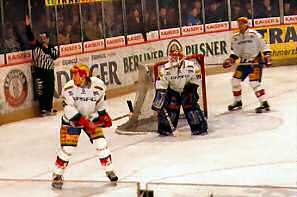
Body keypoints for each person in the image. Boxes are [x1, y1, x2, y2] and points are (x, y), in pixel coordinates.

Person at [51, 64, 118, 189]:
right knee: (67, 149)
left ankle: (110, 170)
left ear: (83, 76)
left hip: (90, 118)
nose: (73, 77)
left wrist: (103, 116)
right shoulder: (69, 88)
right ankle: (57, 174)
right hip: (72, 122)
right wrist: (85, 122)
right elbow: (68, 109)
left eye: (75, 74)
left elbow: (101, 102)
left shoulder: (98, 85)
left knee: (101, 144)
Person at [151, 41, 208, 136]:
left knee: (189, 102)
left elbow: (197, 79)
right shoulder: (164, 69)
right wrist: (159, 101)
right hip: (173, 92)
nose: (174, 57)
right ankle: (165, 127)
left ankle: (198, 126)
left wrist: (190, 90)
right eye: (172, 53)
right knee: (171, 103)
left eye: (176, 53)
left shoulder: (191, 66)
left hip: (187, 90)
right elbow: (161, 86)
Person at [223, 17, 271, 113]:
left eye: (241, 24)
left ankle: (264, 103)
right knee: (235, 80)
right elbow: (235, 53)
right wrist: (230, 60)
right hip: (244, 63)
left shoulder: (255, 35)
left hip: (255, 62)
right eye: (238, 24)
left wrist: (267, 58)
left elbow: (264, 47)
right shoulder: (235, 37)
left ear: (246, 24)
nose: (239, 26)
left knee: (254, 82)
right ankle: (238, 101)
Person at [25, 15, 58, 116]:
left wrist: (47, 49)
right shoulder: (36, 45)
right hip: (39, 71)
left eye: (45, 38)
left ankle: (49, 108)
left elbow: (55, 56)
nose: (43, 39)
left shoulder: (51, 47)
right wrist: (27, 27)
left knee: (50, 89)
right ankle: (43, 109)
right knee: (41, 90)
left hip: (49, 71)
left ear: (48, 38)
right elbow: (30, 37)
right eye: (42, 38)